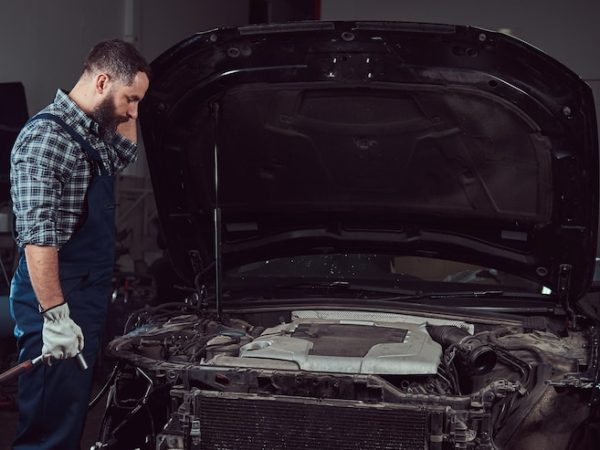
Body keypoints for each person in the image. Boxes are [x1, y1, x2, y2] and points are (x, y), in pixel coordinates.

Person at [9, 39, 150, 450]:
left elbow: (125, 153)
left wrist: (125, 100)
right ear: (102, 81)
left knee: (69, 412)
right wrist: (55, 316)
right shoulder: (46, 140)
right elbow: (38, 239)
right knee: (48, 423)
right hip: (54, 295)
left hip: (85, 291)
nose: (133, 112)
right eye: (130, 99)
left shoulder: (92, 132)